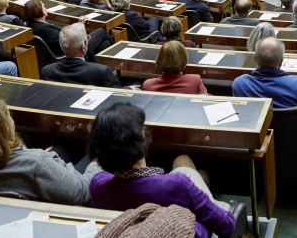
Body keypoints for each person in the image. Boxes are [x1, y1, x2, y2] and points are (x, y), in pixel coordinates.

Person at [87, 102, 236, 238]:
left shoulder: (97, 184)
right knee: (188, 168)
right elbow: (226, 226)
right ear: (141, 141)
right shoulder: (176, 184)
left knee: (194, 170)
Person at [0, 97, 100, 204]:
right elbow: (82, 192)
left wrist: (40, 157)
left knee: (63, 149)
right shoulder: (36, 164)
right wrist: (95, 166)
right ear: (4, 128)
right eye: (10, 117)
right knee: (97, 154)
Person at [233, 36, 297, 116]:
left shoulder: (240, 84)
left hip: (260, 135)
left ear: (255, 58)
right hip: (295, 135)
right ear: (281, 61)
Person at [41, 23, 122, 87]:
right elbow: (119, 95)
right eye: (87, 39)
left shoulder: (47, 71)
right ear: (83, 47)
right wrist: (130, 88)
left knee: (105, 44)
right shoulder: (102, 72)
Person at [141, 41, 207, 94]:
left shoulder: (148, 85)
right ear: (184, 60)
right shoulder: (195, 80)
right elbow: (205, 99)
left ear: (159, 59)